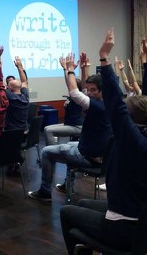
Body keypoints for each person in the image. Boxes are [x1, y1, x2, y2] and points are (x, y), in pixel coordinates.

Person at [60, 27, 147, 255]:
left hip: (124, 227)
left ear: (131, 120)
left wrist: (104, 59)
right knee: (81, 205)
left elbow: (116, 105)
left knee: (66, 212)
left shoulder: (134, 142)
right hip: (145, 219)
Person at [28, 53, 111, 201]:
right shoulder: (106, 103)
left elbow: (75, 92)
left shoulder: (98, 106)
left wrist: (70, 70)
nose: (90, 93)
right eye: (89, 90)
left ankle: (45, 192)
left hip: (87, 156)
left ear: (102, 91)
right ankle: (68, 185)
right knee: (68, 145)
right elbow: (84, 91)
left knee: (47, 152)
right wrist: (85, 69)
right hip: (94, 153)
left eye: (94, 90)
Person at [43, 70, 83, 146]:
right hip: (68, 124)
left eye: (71, 86)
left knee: (49, 131)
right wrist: (65, 69)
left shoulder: (78, 97)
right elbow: (68, 82)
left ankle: (52, 153)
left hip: (77, 126)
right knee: (46, 128)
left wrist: (68, 71)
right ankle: (53, 150)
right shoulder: (71, 97)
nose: (69, 87)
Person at [4, 56, 29, 132]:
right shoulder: (25, 97)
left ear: (10, 88)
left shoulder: (11, 97)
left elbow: (2, 86)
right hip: (24, 131)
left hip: (12, 132)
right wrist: (20, 67)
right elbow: (24, 81)